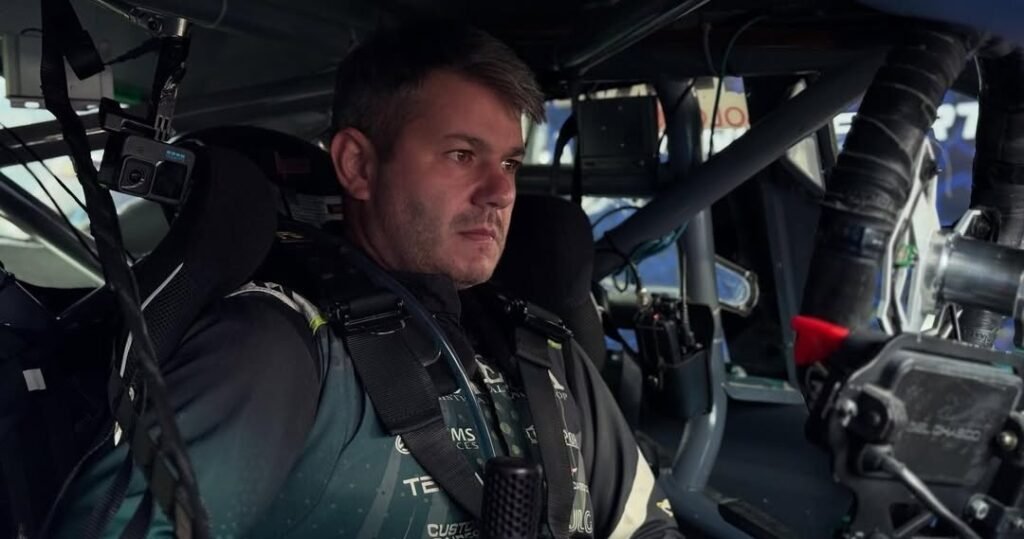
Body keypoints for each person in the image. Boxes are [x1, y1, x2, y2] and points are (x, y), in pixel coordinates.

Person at [53, 22, 682, 538]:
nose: (500, 192)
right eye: (462, 155)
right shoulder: (277, 352)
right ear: (356, 164)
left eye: (510, 163)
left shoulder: (543, 351)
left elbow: (649, 530)